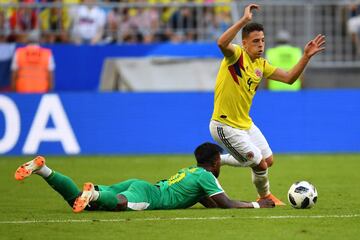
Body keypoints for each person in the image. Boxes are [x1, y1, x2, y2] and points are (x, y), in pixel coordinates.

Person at [209, 4, 325, 205]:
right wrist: (244, 20)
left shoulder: (261, 65)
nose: (261, 45)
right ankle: (265, 197)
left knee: (268, 160)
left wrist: (305, 57)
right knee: (260, 164)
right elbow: (221, 43)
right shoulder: (236, 56)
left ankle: (220, 160)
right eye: (255, 41)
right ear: (244, 43)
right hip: (224, 125)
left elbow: (289, 78)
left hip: (245, 123)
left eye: (262, 40)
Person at [14, 142, 275, 212]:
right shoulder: (207, 177)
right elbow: (225, 203)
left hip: (140, 185)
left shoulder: (190, 171)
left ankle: (43, 169)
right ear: (216, 162)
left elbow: (210, 202)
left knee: (75, 201)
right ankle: (93, 194)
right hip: (148, 196)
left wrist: (215, 202)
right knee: (117, 204)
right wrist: (256, 204)